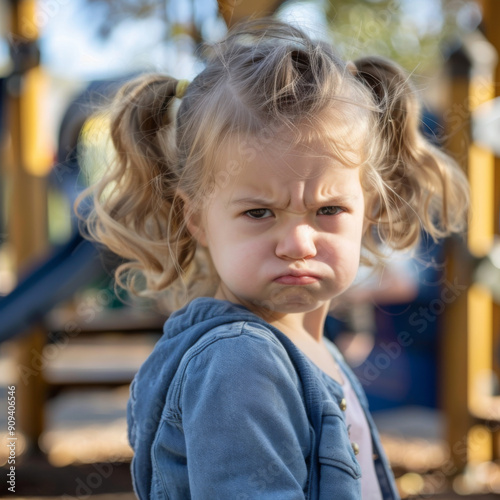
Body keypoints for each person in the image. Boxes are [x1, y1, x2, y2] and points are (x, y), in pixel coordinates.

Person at [77, 18, 469, 500]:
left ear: (370, 210)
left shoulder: (310, 350)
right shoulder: (240, 364)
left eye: (329, 210)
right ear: (196, 217)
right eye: (259, 212)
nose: (299, 243)